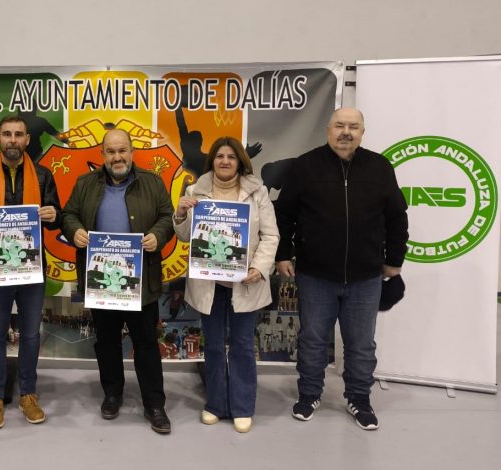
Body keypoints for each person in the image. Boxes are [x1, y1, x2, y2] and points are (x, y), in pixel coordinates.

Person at [274, 108, 408, 430]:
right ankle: (309, 395)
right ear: (328, 129)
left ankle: (359, 399)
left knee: (361, 344)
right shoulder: (305, 166)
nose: (346, 132)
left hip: (366, 276)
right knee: (312, 340)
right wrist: (283, 254)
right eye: (339, 125)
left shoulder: (380, 167)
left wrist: (395, 260)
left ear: (362, 132)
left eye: (353, 126)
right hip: (315, 275)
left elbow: (397, 217)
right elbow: (284, 215)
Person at [61, 128, 175, 434]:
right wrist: (75, 231)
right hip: (102, 283)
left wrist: (158, 235)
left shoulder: (152, 182)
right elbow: (68, 214)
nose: (117, 157)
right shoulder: (85, 183)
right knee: (107, 342)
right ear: (102, 155)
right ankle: (112, 394)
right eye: (110, 152)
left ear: (132, 152)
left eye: (122, 150)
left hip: (141, 281)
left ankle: (155, 404)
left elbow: (167, 216)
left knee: (146, 344)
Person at [173, 136, 279, 433]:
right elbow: (184, 236)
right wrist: (181, 213)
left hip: (245, 282)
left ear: (240, 161)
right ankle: (216, 404)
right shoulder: (195, 191)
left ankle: (243, 406)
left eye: (231, 157)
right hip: (210, 283)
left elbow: (271, 236)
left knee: (243, 345)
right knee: (214, 345)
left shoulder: (257, 192)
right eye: (220, 156)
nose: (225, 161)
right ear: (212, 160)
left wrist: (259, 267)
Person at [0, 115, 61, 430]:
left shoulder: (43, 175)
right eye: (7, 134)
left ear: (27, 140)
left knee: (31, 334)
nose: (12, 140)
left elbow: (57, 219)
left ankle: (28, 394)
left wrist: (53, 214)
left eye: (19, 134)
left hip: (32, 267)